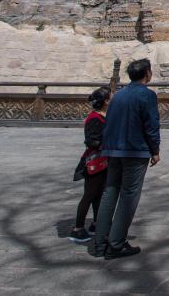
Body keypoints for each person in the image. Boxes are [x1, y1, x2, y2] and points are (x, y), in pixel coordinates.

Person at [91, 59, 161, 259]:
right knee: (129, 195)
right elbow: (151, 125)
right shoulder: (146, 95)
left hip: (113, 151)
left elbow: (109, 123)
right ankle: (116, 244)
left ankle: (100, 242)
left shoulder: (118, 95)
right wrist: (155, 150)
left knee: (110, 193)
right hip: (134, 151)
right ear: (147, 73)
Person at [69, 87, 111, 243]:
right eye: (111, 97)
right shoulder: (94, 118)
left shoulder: (103, 116)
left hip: (104, 160)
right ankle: (78, 228)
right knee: (89, 195)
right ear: (105, 101)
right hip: (94, 162)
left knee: (99, 194)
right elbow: (91, 140)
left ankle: (96, 223)